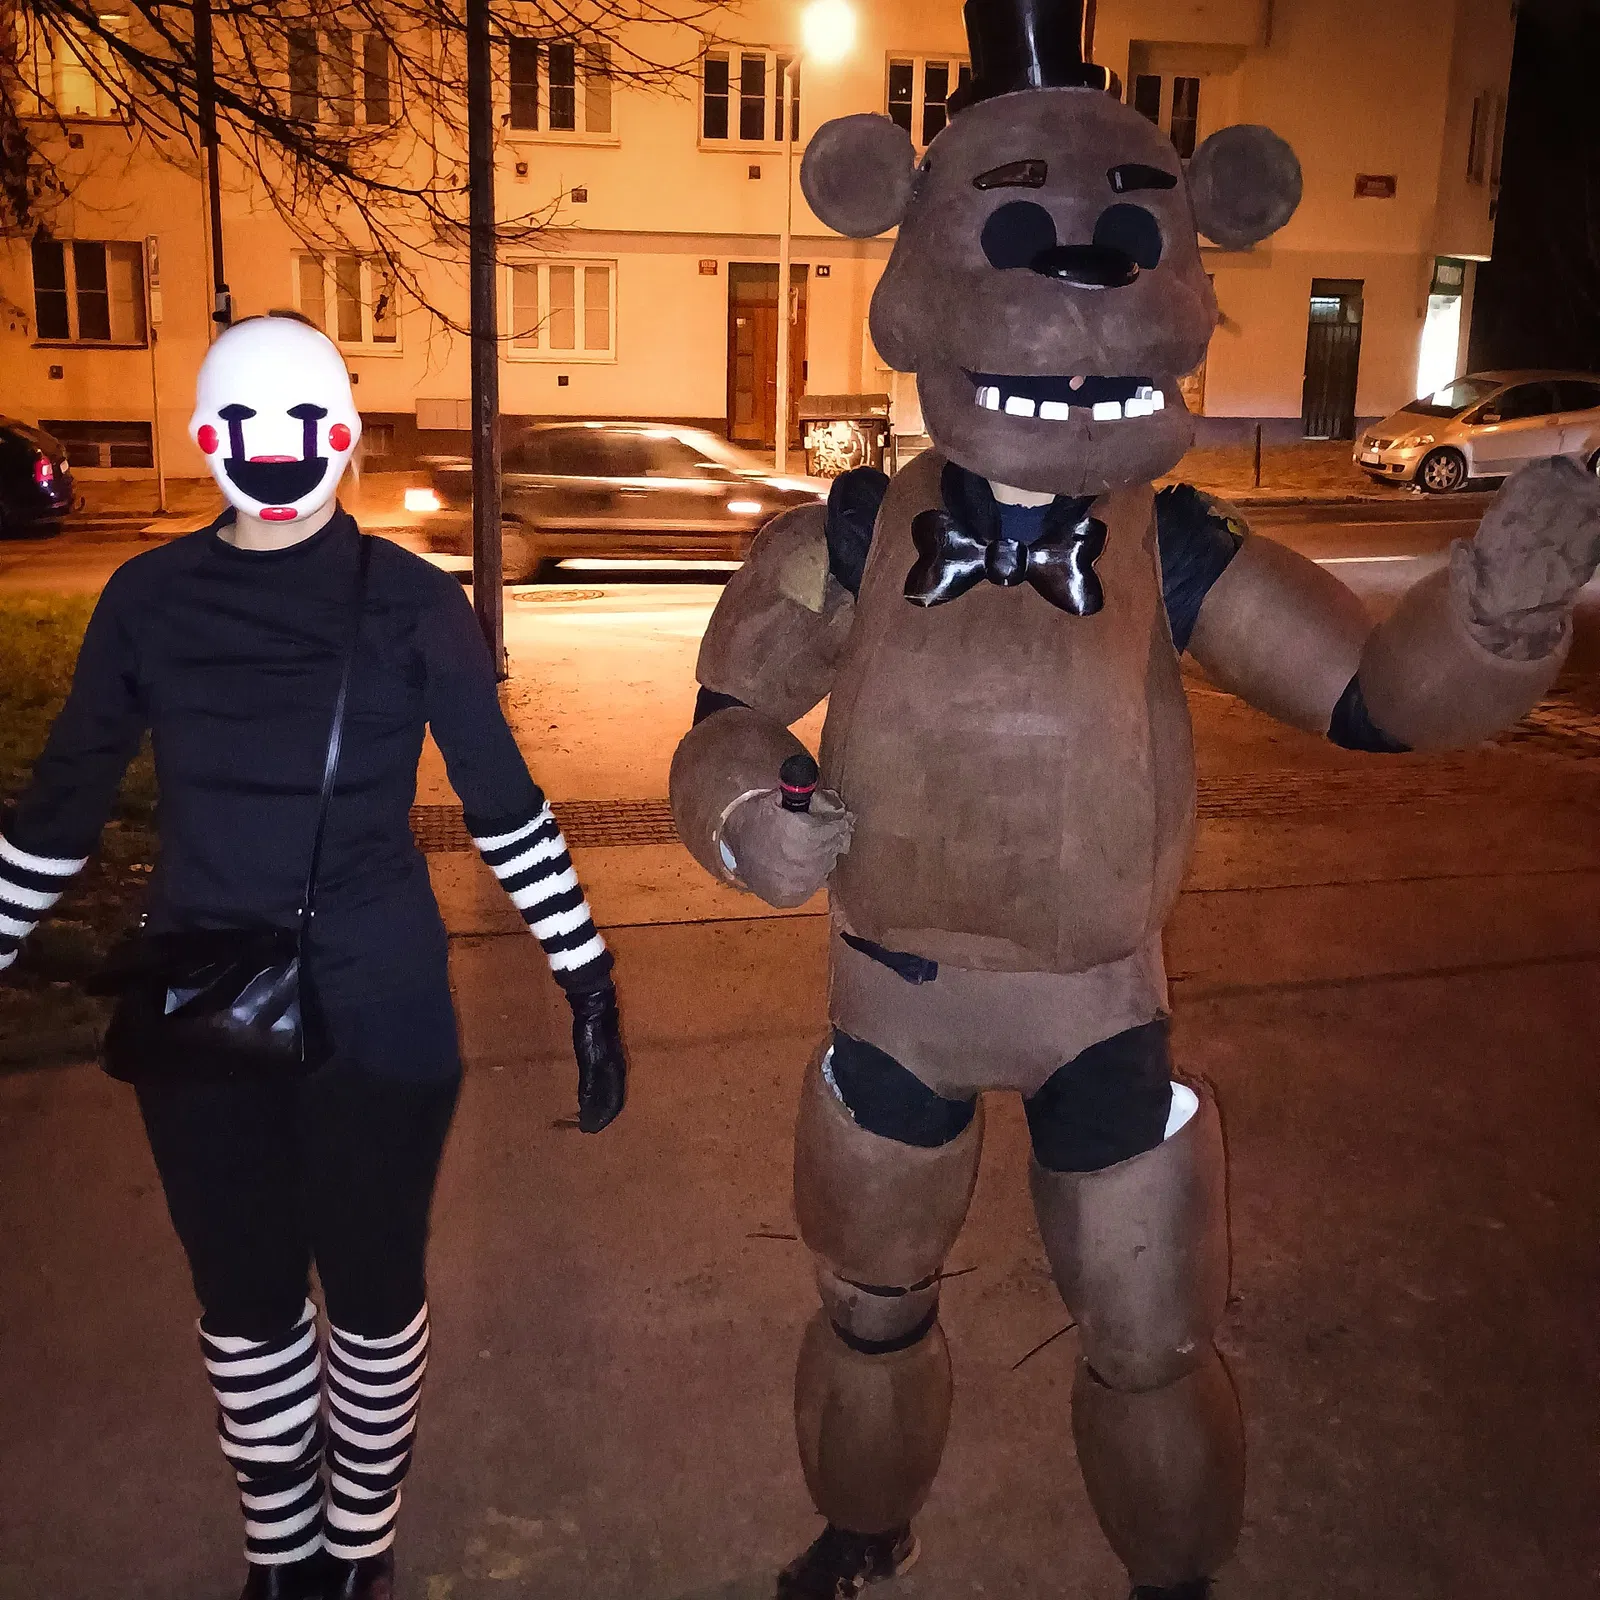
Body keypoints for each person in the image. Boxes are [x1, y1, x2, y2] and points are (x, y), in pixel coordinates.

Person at [669, 1, 1600, 1596]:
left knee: (1147, 1339)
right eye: (1019, 231)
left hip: (1101, 1005)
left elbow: (1371, 696)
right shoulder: (851, 533)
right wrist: (749, 811)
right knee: (870, 1305)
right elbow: (729, 713)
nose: (1082, 289)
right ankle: (864, 1527)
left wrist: (1496, 622)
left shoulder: (1171, 548)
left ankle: (1173, 1576)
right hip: (895, 1001)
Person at [0, 312, 628, 1600]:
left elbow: (505, 808)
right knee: (252, 1304)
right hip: (229, 1014)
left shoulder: (402, 602)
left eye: (297, 427)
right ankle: (289, 1553)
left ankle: (354, 1546)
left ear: (339, 436)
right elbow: (61, 808)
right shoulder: (161, 601)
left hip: (359, 1016)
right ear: (211, 438)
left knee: (364, 1294)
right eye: (252, 427)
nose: (277, 452)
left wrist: (585, 975)